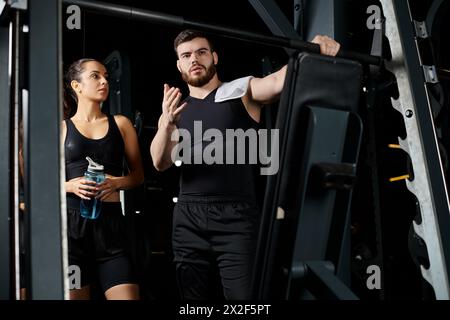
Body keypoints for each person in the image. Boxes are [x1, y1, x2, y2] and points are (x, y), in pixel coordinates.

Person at [150, 30, 340, 300]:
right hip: (188, 216)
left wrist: (310, 53)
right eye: (186, 55)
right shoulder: (174, 111)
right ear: (179, 64)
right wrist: (167, 124)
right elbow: (159, 162)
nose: (194, 59)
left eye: (201, 52)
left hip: (236, 217)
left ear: (214, 57)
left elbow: (277, 81)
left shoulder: (241, 90)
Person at [63, 58, 144, 300]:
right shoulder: (61, 128)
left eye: (106, 76)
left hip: (111, 229)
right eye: (95, 76)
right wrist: (70, 185)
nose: (104, 81)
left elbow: (138, 176)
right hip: (72, 231)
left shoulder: (121, 124)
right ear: (76, 86)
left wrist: (116, 182)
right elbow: (42, 184)